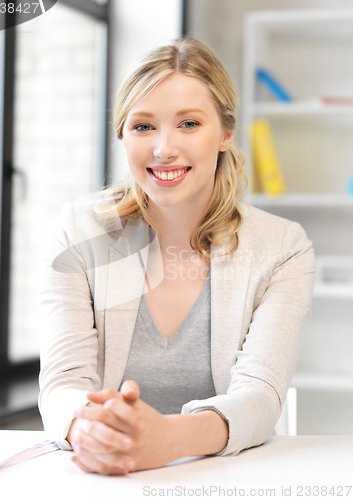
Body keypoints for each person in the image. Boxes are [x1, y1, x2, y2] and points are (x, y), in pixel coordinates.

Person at [38, 37, 314, 476]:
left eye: (188, 124)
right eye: (143, 126)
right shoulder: (77, 230)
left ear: (225, 132)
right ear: (123, 135)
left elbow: (260, 396)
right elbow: (63, 386)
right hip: (104, 479)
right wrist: (92, 432)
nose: (163, 148)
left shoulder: (283, 248)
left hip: (223, 481)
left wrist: (167, 440)